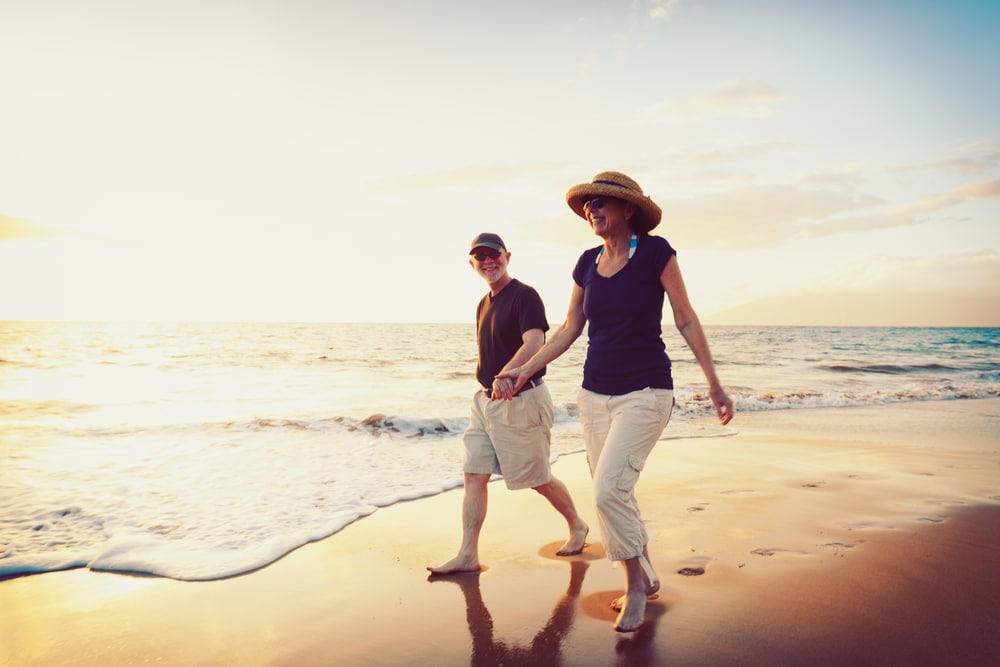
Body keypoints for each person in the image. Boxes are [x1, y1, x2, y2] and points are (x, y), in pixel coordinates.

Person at [496, 172, 734, 633]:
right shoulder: (587, 262)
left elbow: (685, 318)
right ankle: (646, 570)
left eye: (601, 202)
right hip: (593, 396)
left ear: (628, 209)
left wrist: (714, 383)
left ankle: (636, 587)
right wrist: (523, 370)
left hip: (646, 392)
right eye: (588, 205)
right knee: (617, 490)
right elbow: (569, 329)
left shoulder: (657, 252)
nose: (592, 209)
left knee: (607, 490)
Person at [427, 232, 590, 575]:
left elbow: (535, 341)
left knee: (537, 478)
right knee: (474, 474)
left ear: (507, 256)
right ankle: (468, 554)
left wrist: (508, 374)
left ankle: (577, 524)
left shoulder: (524, 295)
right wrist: (491, 382)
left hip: (522, 399)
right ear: (472, 264)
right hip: (484, 403)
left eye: (494, 254)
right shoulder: (482, 304)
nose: (488, 261)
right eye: (480, 257)